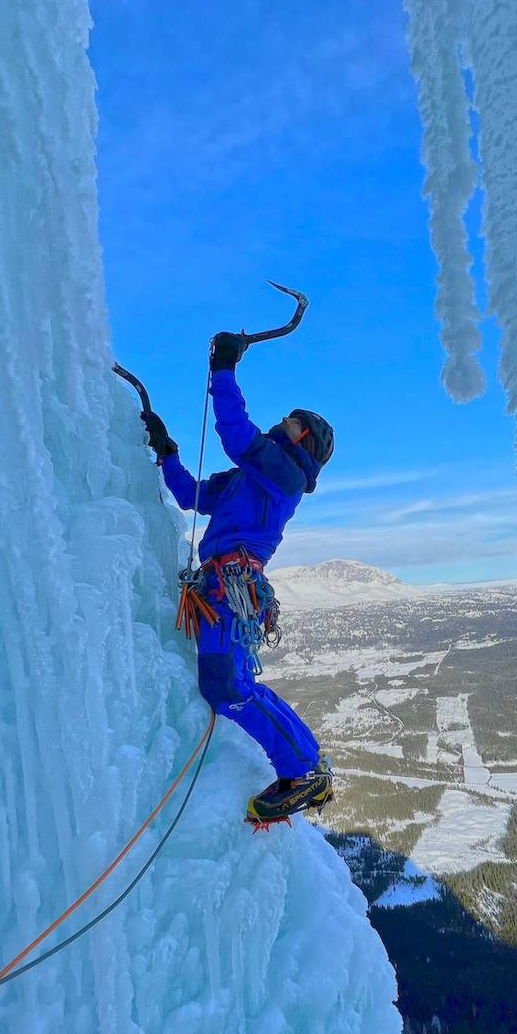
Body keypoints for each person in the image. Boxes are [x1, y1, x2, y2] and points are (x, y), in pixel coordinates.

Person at [140, 331, 334, 826]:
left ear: (303, 441)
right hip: (226, 589)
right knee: (235, 683)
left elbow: (233, 431)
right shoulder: (255, 477)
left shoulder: (285, 473)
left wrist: (224, 368)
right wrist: (167, 453)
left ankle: (303, 770)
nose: (281, 423)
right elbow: (193, 496)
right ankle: (306, 766)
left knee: (227, 686)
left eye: (291, 422)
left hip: (232, 588)